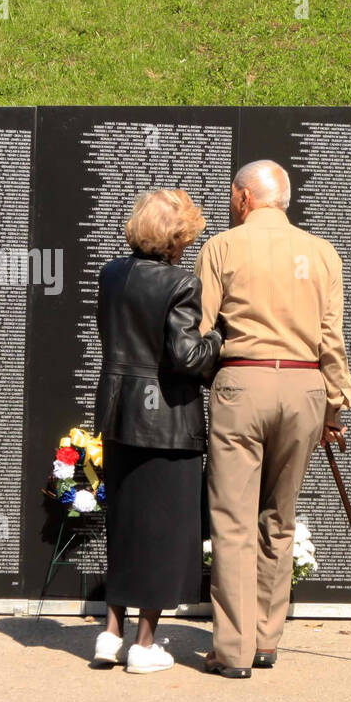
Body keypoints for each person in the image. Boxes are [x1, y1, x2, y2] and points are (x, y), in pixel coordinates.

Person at [197, 160, 351, 679]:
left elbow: (201, 329)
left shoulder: (221, 247)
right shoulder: (322, 252)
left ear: (244, 198)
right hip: (305, 385)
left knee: (232, 519)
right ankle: (267, 639)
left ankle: (233, 649)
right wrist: (334, 406)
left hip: (242, 383)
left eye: (231, 196)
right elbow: (331, 338)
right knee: (279, 518)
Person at [92, 189, 223, 673]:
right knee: (163, 534)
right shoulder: (181, 285)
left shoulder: (110, 274)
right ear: (177, 236)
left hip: (119, 417)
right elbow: (187, 358)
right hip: (167, 423)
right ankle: (144, 645)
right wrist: (218, 338)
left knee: (123, 526)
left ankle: (110, 633)